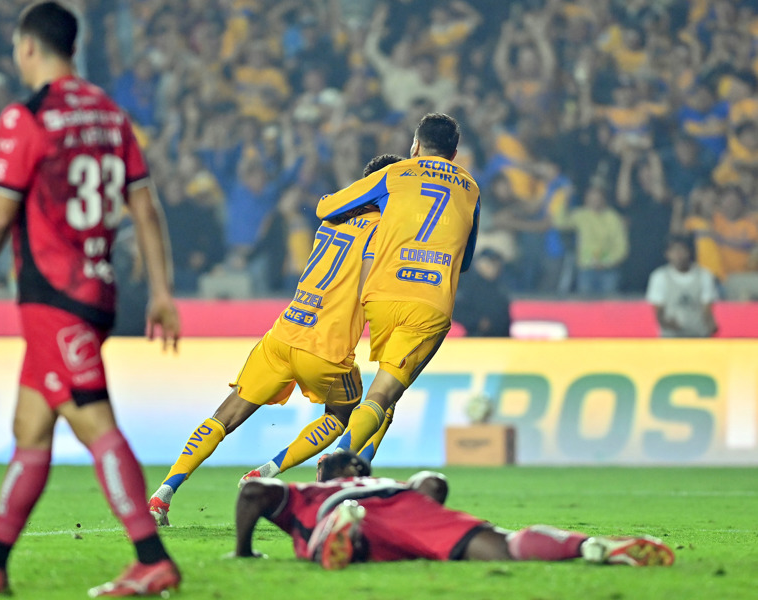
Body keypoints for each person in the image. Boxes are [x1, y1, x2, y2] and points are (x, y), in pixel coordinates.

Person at [0, 3, 181, 597]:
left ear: (28, 47)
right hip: (97, 287)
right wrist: (162, 289)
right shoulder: (110, 114)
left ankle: (151, 557)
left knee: (95, 422)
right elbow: (145, 206)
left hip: (53, 294)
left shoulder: (27, 116)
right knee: (31, 424)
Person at [148, 155, 405, 527]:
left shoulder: (333, 218)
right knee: (355, 414)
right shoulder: (384, 233)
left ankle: (163, 493)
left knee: (225, 415)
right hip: (326, 347)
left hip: (283, 332)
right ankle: (272, 471)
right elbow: (370, 286)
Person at [315, 113, 480, 458]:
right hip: (428, 303)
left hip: (382, 296)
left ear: (416, 145)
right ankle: (338, 462)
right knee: (384, 395)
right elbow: (464, 262)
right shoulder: (471, 189)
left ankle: (357, 472)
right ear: (454, 151)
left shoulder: (395, 173)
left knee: (387, 391)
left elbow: (326, 208)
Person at [234, 450, 675, 570]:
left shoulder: (307, 491)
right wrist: (422, 496)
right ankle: (590, 547)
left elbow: (253, 492)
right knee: (505, 545)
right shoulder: (392, 483)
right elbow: (434, 482)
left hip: (337, 509)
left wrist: (244, 550)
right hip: (407, 507)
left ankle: (342, 530)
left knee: (333, 538)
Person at [646, 235, 718, 338]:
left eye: (682, 250)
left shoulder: (704, 276)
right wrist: (667, 323)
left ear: (689, 252)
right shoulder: (659, 277)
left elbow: (707, 309)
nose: (678, 255)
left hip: (699, 336)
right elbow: (658, 312)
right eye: (674, 251)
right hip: (671, 338)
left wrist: (711, 326)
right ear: (667, 254)